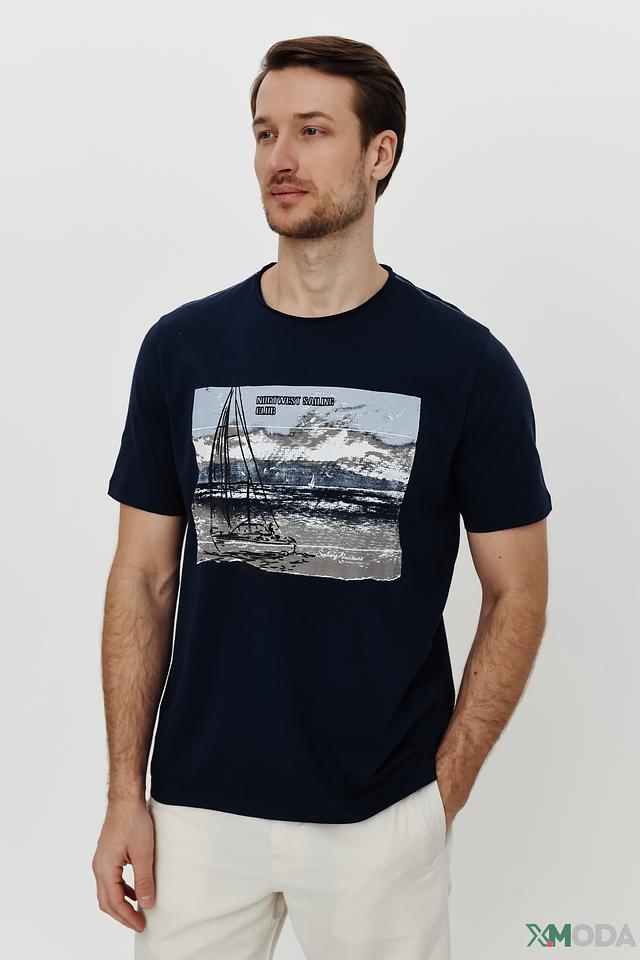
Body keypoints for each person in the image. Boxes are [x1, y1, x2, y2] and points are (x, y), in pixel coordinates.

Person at [92, 34, 552, 960]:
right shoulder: (182, 349)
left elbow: (519, 592)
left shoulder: (465, 364)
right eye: (265, 133)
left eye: (312, 130)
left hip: (379, 815)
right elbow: (142, 578)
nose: (281, 158)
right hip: (196, 814)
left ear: (380, 154)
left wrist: (443, 791)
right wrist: (123, 795)